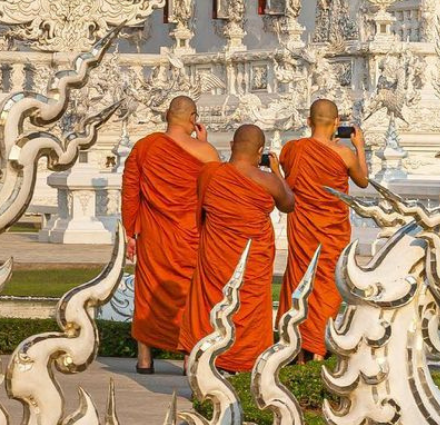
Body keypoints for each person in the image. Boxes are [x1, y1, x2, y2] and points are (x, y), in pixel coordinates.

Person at [179, 123, 295, 372]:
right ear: (260, 151)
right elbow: (288, 204)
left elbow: (200, 209)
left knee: (211, 303)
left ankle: (204, 360)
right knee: (247, 307)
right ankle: (239, 366)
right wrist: (276, 173)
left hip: (216, 257)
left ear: (232, 145)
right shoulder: (268, 181)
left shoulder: (210, 173)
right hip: (252, 261)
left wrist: (203, 142)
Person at [121, 95, 220, 374]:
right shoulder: (206, 153)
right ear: (193, 119)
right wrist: (202, 144)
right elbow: (214, 195)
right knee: (189, 294)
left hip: (153, 235)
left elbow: (130, 193)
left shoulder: (144, 147)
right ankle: (189, 355)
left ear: (166, 114)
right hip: (191, 234)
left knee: (148, 292)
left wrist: (131, 232)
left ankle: (144, 358)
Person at [278, 99, 369, 360]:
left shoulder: (293, 148)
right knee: (327, 284)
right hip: (332, 231)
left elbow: (288, 176)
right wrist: (359, 147)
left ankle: (297, 349)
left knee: (300, 279)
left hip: (304, 228)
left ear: (308, 121)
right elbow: (362, 180)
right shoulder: (344, 154)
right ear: (337, 123)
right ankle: (317, 350)